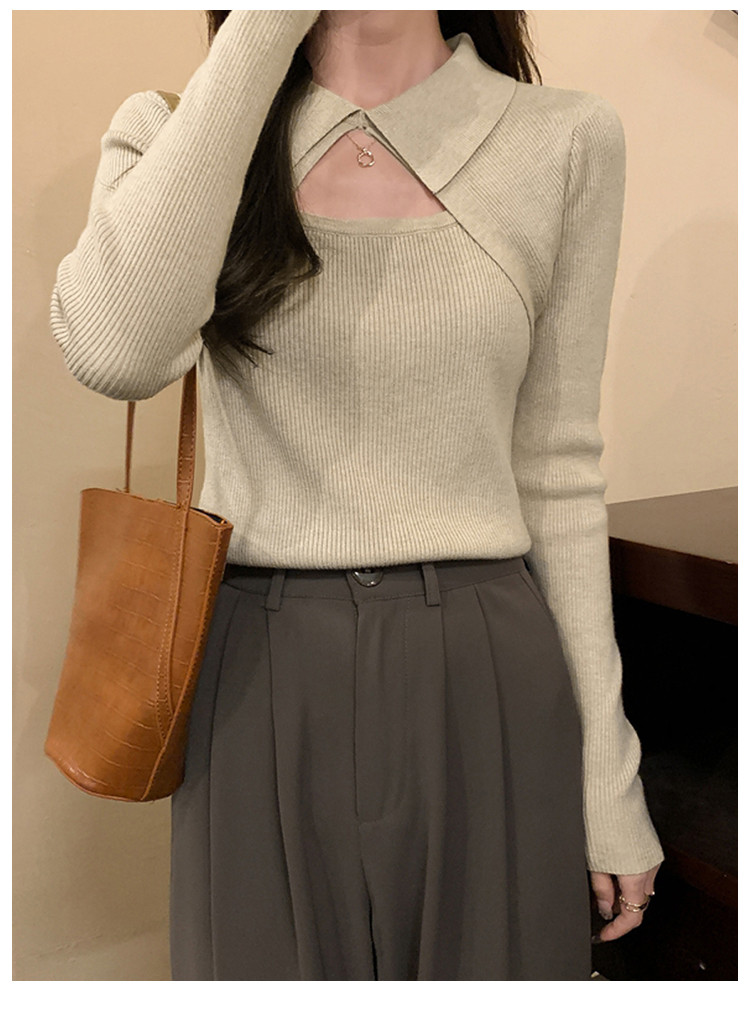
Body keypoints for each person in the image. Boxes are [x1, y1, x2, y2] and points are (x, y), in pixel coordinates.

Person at [49, 9, 664, 981]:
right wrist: (263, 30)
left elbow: (558, 470)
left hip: (487, 670)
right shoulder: (178, 130)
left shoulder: (565, 140)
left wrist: (606, 777)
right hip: (257, 672)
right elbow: (114, 351)